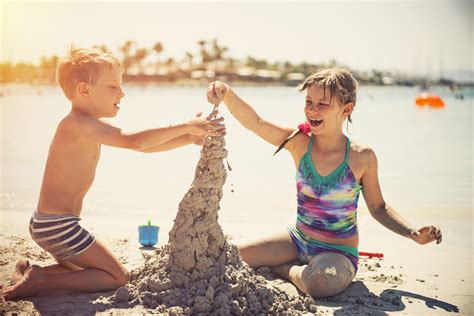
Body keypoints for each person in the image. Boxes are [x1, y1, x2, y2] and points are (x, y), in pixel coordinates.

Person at [1, 48, 226, 300]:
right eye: (113, 87)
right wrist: (185, 125)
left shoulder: (88, 124)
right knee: (117, 277)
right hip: (58, 226)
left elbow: (145, 148)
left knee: (87, 271)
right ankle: (39, 281)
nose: (122, 92)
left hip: (50, 223)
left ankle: (29, 273)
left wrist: (187, 139)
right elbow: (135, 141)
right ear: (85, 90)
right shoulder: (77, 124)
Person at [206, 68, 442, 298]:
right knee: (231, 256)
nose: (312, 110)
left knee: (320, 282)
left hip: (338, 253)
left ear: (346, 109)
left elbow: (378, 208)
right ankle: (292, 265)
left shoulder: (362, 157)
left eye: (322, 104)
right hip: (296, 240)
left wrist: (411, 233)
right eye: (309, 102)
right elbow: (256, 122)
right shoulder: (298, 143)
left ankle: (283, 269)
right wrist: (226, 93)